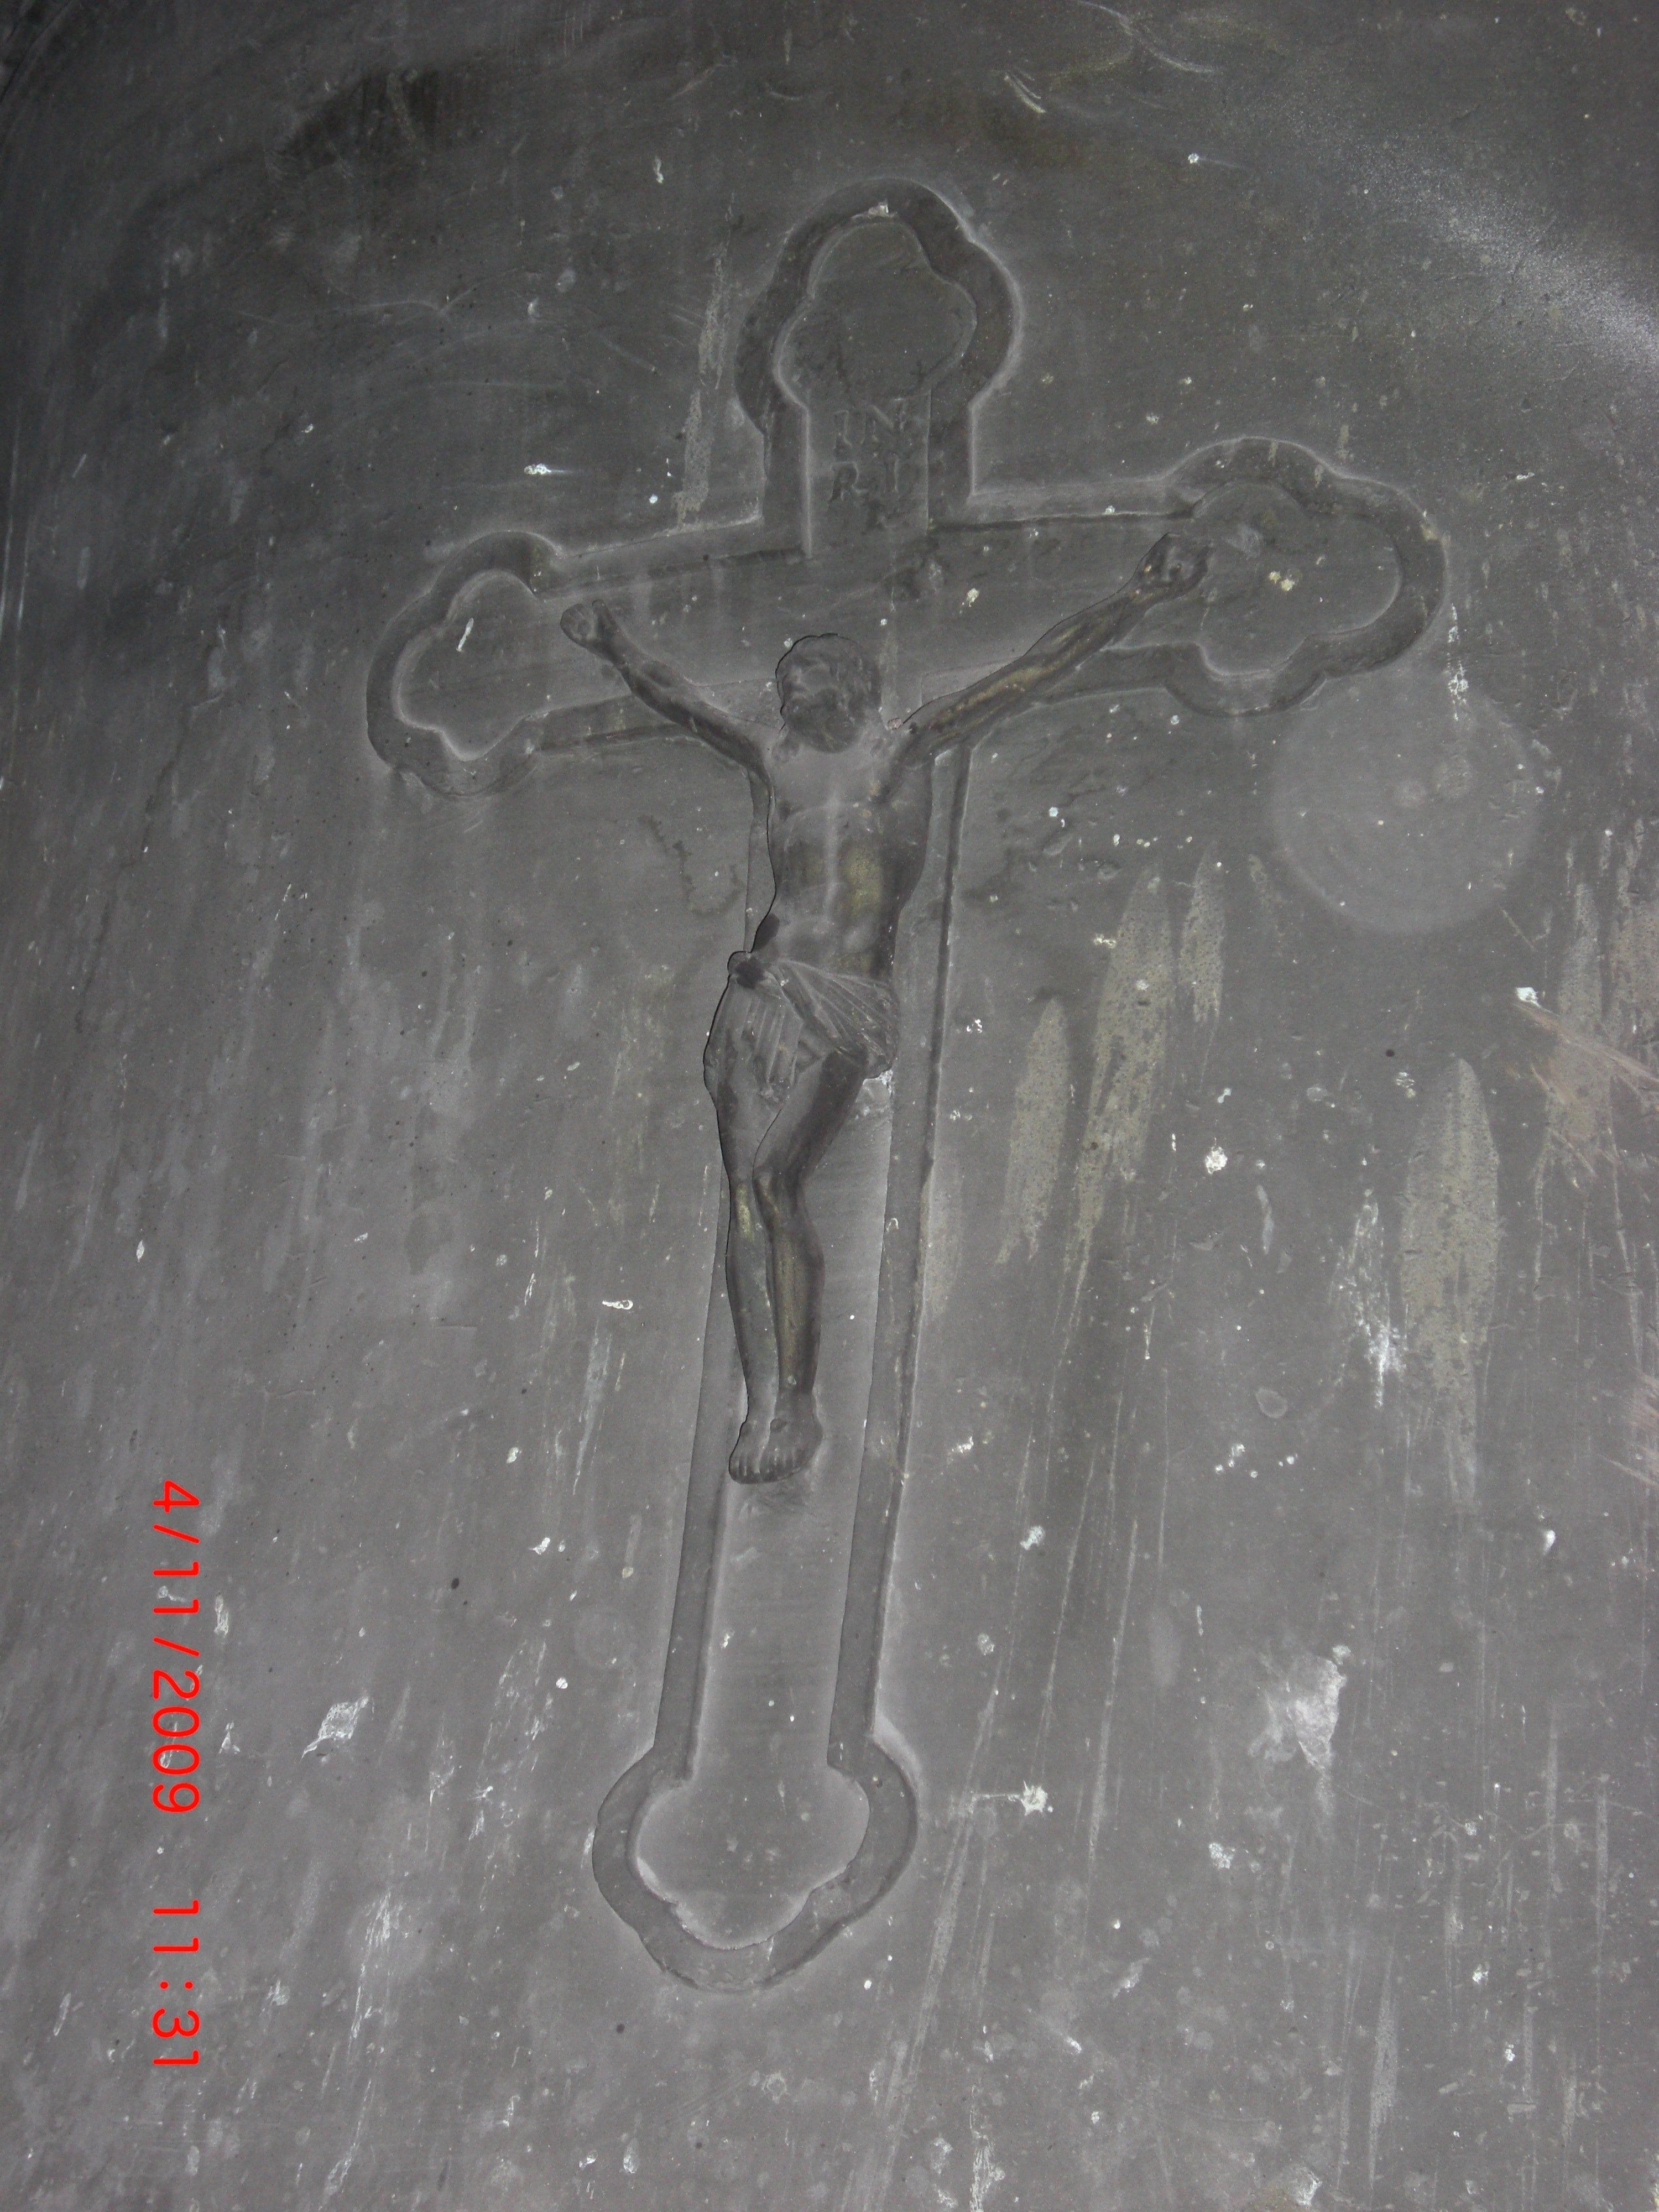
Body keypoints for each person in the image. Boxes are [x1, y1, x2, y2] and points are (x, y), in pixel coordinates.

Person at [561, 530, 1208, 1479]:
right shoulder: (776, 761)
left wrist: (1138, 597)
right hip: (759, 993)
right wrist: (614, 644)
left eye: (811, 682)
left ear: (854, 689)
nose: (793, 696)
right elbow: (683, 703)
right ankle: (762, 1404)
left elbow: (1030, 672)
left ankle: (795, 1401)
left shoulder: (900, 751)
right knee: (744, 1198)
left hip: (842, 1000)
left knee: (777, 1181)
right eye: (787, 687)